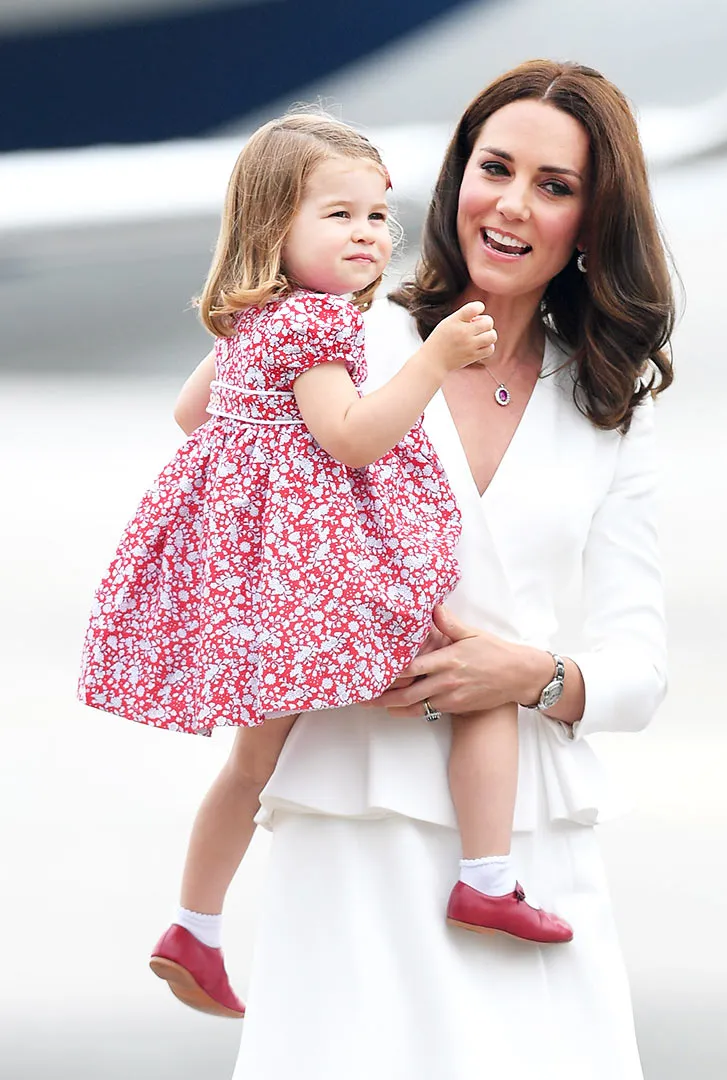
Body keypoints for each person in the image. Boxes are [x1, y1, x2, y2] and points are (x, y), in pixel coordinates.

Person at [172, 59, 673, 1078]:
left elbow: (641, 667)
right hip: (351, 799)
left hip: (526, 835)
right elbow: (214, 457)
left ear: (592, 221)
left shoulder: (609, 404)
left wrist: (532, 675)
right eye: (496, 167)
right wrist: (312, 612)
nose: (513, 203)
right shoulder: (342, 331)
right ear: (455, 180)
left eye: (555, 185)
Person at [79, 112, 576, 1015]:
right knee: (477, 673)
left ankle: (194, 925)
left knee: (249, 766)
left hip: (267, 578)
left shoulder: (251, 320)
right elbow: (352, 437)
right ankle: (487, 878)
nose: (367, 236)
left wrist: (260, 477)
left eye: (377, 216)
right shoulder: (315, 325)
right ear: (274, 228)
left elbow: (193, 416)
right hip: (321, 577)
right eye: (339, 216)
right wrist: (433, 360)